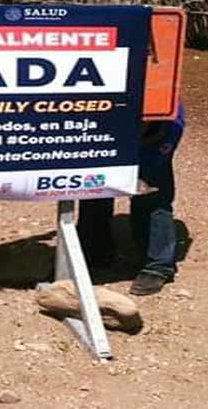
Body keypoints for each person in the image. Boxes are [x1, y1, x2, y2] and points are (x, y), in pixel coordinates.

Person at [77, 102, 186, 296]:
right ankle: (93, 251)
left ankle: (158, 265)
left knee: (153, 197)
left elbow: (166, 137)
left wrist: (144, 170)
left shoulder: (169, 117)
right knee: (94, 192)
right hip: (103, 127)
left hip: (154, 135)